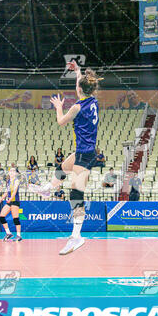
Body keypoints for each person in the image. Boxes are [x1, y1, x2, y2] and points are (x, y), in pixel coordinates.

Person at [29, 60, 102, 255]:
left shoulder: (76, 107)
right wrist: (78, 70)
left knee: (76, 194)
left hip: (86, 154)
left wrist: (58, 106)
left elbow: (61, 122)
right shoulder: (93, 100)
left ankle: (77, 236)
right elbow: (81, 83)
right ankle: (47, 189)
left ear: (79, 89)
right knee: (62, 167)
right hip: (84, 150)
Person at [0, 167, 22, 242]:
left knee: (15, 219)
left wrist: (10, 199)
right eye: (10, 171)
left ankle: (19, 235)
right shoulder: (8, 181)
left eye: (13, 171)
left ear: (15, 173)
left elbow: (14, 191)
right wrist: (0, 200)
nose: (12, 172)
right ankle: (8, 233)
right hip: (9, 201)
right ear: (8, 173)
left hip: (14, 201)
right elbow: (6, 192)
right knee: (1, 217)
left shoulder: (16, 180)